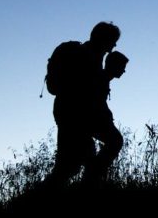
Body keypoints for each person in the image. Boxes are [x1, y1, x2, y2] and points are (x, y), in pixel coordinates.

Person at [44, 21, 121, 188]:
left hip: (68, 112)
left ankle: (85, 186)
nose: (113, 47)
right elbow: (87, 92)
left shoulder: (93, 56)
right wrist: (107, 75)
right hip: (74, 115)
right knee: (70, 165)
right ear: (103, 39)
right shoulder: (87, 56)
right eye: (112, 42)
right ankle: (86, 187)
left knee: (70, 165)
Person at [83, 50, 128, 183]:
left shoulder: (103, 79)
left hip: (90, 122)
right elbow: (94, 102)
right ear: (114, 65)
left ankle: (91, 178)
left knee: (90, 157)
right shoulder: (100, 79)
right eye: (122, 67)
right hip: (89, 122)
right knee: (116, 141)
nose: (124, 71)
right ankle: (92, 178)